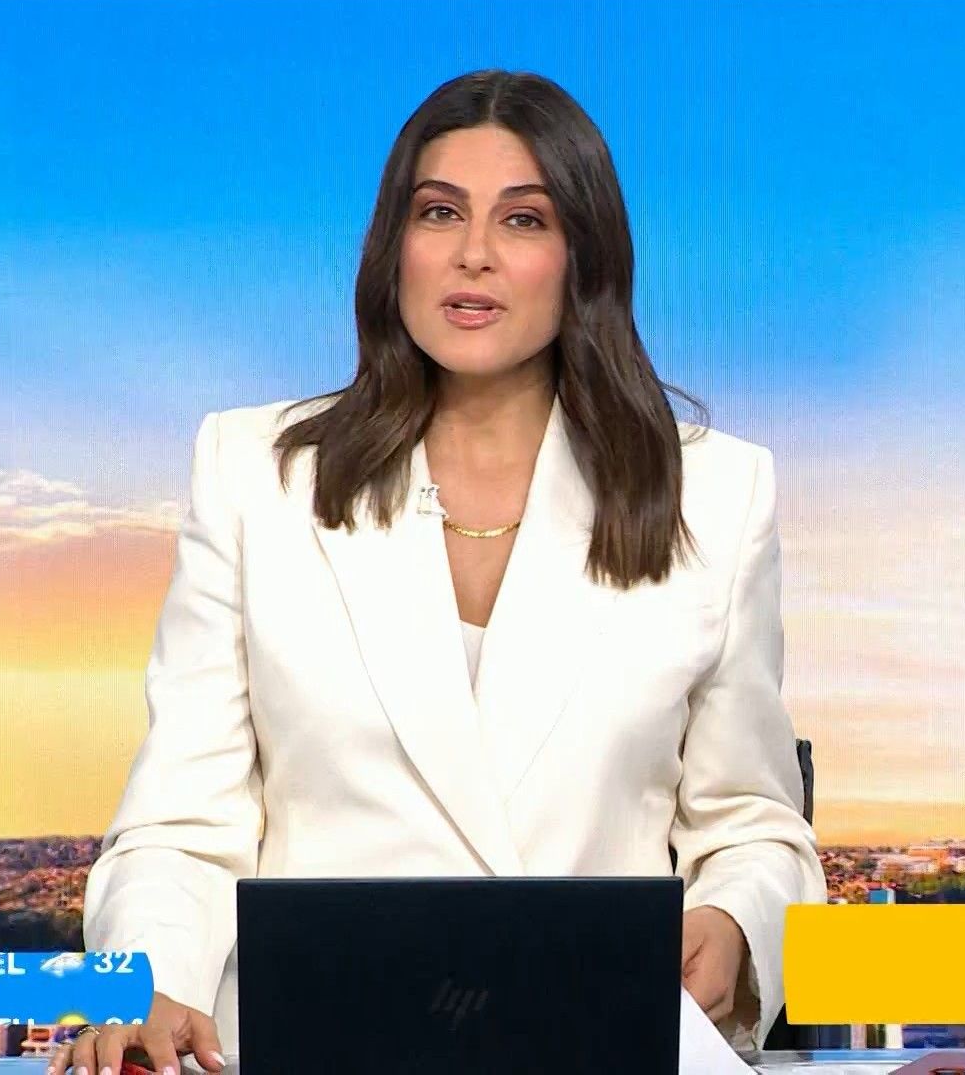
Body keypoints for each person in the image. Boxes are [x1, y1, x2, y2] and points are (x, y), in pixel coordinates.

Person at [54, 69, 825, 1075]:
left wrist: (731, 922)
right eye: (440, 213)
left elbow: (753, 824)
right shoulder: (254, 475)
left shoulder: (715, 494)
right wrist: (153, 984)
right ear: (395, 248)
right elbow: (181, 823)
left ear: (584, 258)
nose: (474, 254)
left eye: (524, 219)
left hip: (599, 1049)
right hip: (315, 1049)